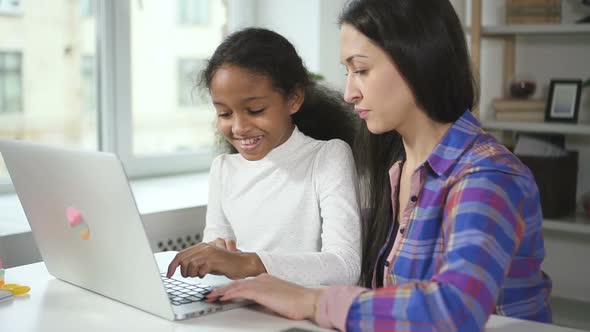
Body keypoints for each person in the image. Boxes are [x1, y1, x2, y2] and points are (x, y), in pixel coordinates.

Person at [205, 0, 553, 331]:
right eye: (347, 72)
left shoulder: (487, 177)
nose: (348, 93)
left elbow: (455, 312)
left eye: (361, 70)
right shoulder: (397, 169)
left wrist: (312, 301)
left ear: (418, 61)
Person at [166, 28, 362, 287]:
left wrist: (248, 263)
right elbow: (217, 252)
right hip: (245, 309)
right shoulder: (224, 169)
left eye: (255, 110)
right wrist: (210, 257)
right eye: (225, 114)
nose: (238, 128)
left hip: (303, 316)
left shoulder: (327, 157)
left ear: (293, 99)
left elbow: (345, 265)